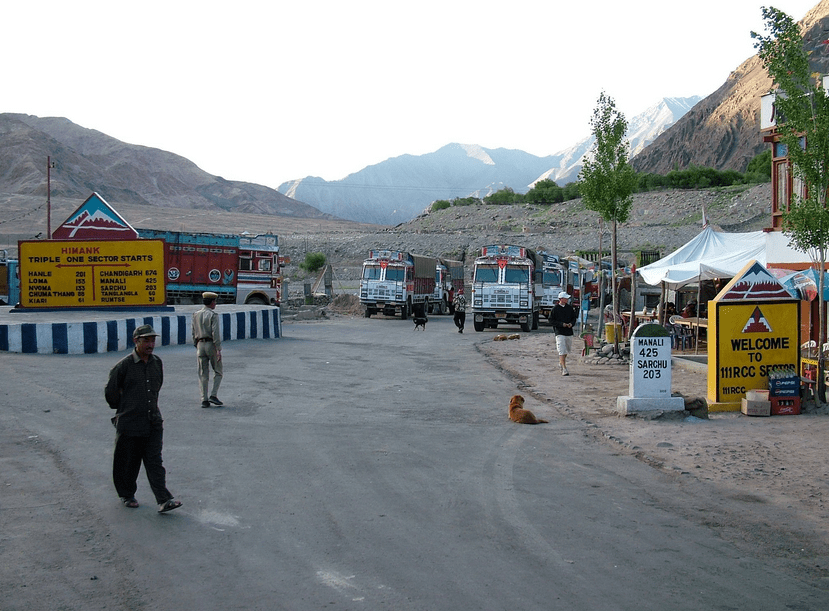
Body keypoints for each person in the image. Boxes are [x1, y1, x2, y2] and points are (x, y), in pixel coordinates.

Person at [105, 324, 182, 513]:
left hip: (153, 420)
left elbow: (157, 387)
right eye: (146, 340)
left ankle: (164, 500)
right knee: (127, 462)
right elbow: (111, 394)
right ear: (136, 341)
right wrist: (126, 408)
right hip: (130, 422)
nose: (150, 344)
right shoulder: (123, 366)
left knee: (155, 461)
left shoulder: (157, 363)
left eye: (152, 340)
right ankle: (127, 495)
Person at [192, 291, 223, 408]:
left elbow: (193, 331)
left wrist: (197, 345)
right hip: (211, 344)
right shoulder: (213, 315)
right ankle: (213, 395)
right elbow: (216, 333)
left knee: (203, 373)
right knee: (218, 371)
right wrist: (218, 349)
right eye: (215, 301)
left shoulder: (196, 314)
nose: (215, 304)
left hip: (200, 344)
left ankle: (204, 399)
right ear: (212, 302)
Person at [550, 291, 578, 376]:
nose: (567, 299)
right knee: (561, 350)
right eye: (565, 298)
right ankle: (564, 368)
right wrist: (561, 324)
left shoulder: (569, 308)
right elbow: (551, 320)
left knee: (567, 350)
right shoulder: (555, 309)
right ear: (561, 299)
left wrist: (571, 324)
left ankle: (561, 362)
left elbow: (574, 318)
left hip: (568, 332)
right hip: (559, 332)